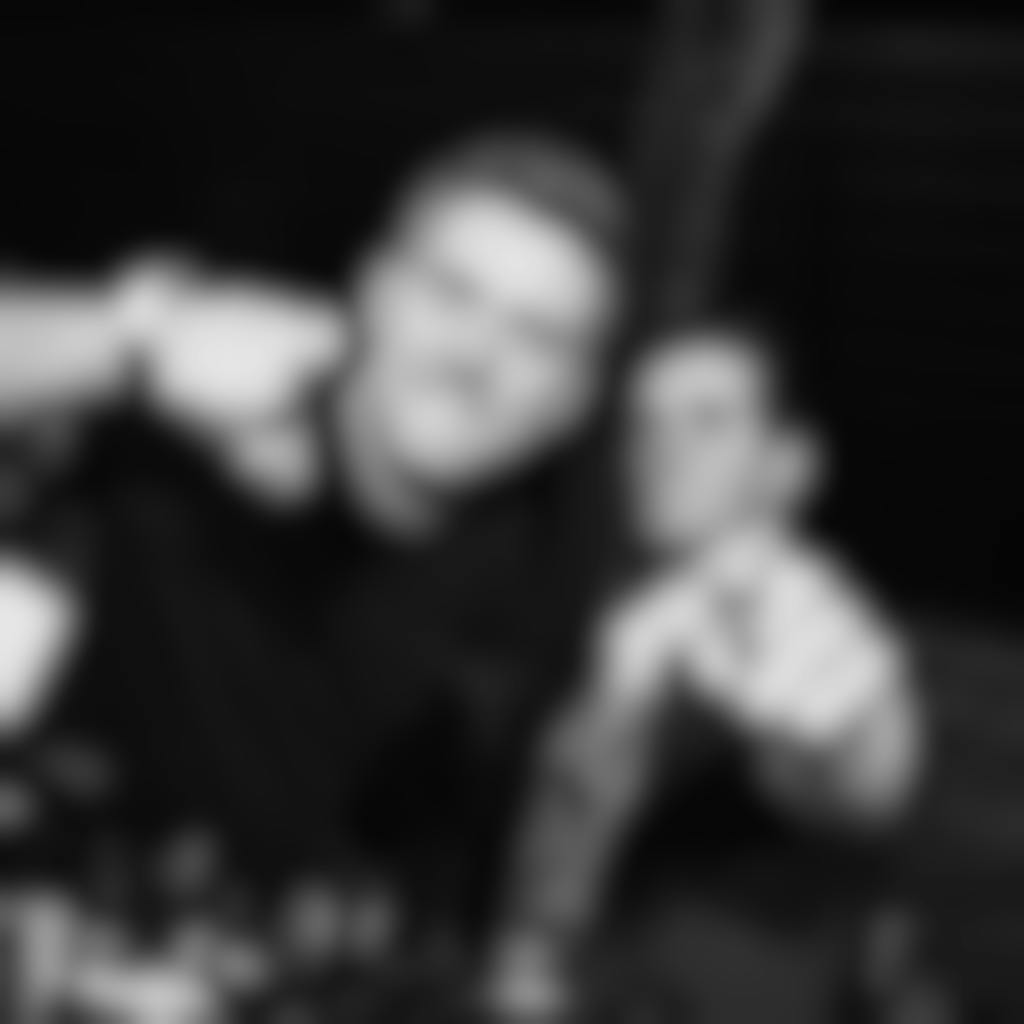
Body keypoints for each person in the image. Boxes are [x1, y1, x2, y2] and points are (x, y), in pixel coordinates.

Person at [487, 322, 924, 1023]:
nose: (663, 448)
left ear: (790, 465)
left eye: (709, 420)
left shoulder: (801, 624)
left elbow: (861, 769)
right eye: (644, 423)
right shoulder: (612, 613)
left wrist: (853, 744)